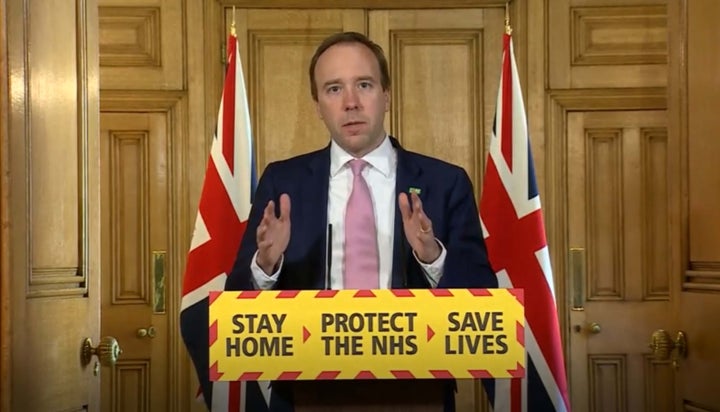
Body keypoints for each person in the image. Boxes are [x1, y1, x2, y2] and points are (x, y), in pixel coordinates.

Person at [226, 31, 497, 411]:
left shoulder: (445, 183)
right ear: (318, 104)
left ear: (386, 95)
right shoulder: (282, 183)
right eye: (334, 89)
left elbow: (483, 304)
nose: (351, 103)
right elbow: (236, 306)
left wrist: (433, 257)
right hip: (305, 393)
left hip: (417, 393)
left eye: (364, 85)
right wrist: (266, 265)